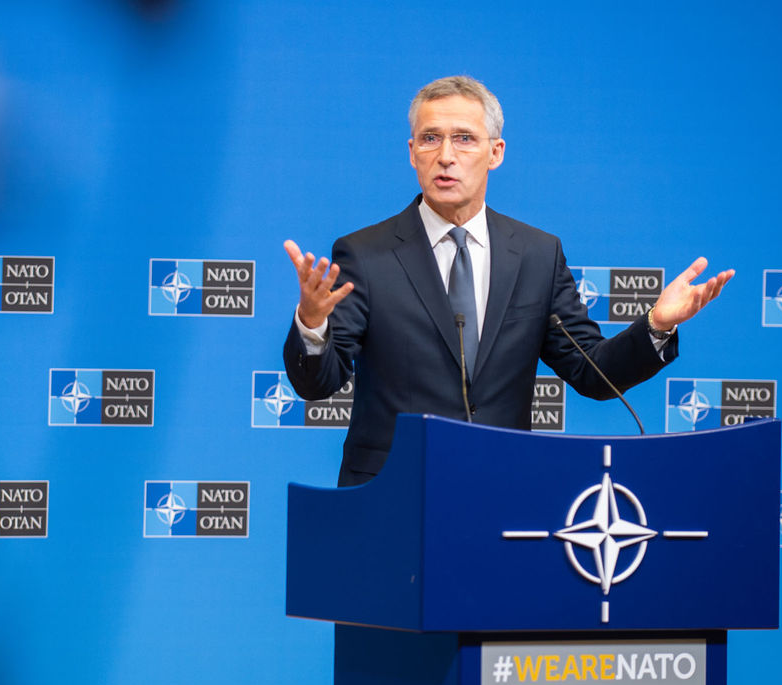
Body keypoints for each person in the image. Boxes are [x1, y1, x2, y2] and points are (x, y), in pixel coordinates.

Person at [282, 75, 733, 486]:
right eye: (430, 139)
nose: (445, 156)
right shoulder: (365, 254)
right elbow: (317, 384)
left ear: (495, 152)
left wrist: (656, 324)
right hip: (392, 495)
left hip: (504, 492)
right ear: (412, 152)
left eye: (464, 139)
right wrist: (312, 323)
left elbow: (592, 373)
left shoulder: (537, 254)